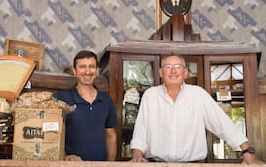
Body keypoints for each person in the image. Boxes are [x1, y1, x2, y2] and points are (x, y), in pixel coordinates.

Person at [130, 54, 264, 164]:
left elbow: (222, 123)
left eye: (178, 66)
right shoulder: (151, 95)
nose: (173, 71)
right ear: (160, 72)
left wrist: (247, 150)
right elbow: (141, 128)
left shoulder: (198, 94)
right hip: (156, 164)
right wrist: (137, 155)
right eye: (168, 66)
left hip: (193, 164)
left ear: (185, 72)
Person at [54, 50, 119, 161]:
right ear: (74, 71)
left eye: (92, 67)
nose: (87, 71)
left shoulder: (107, 101)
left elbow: (111, 137)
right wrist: (65, 156)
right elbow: (51, 135)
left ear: (97, 70)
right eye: (82, 67)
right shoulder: (61, 99)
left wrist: (110, 165)